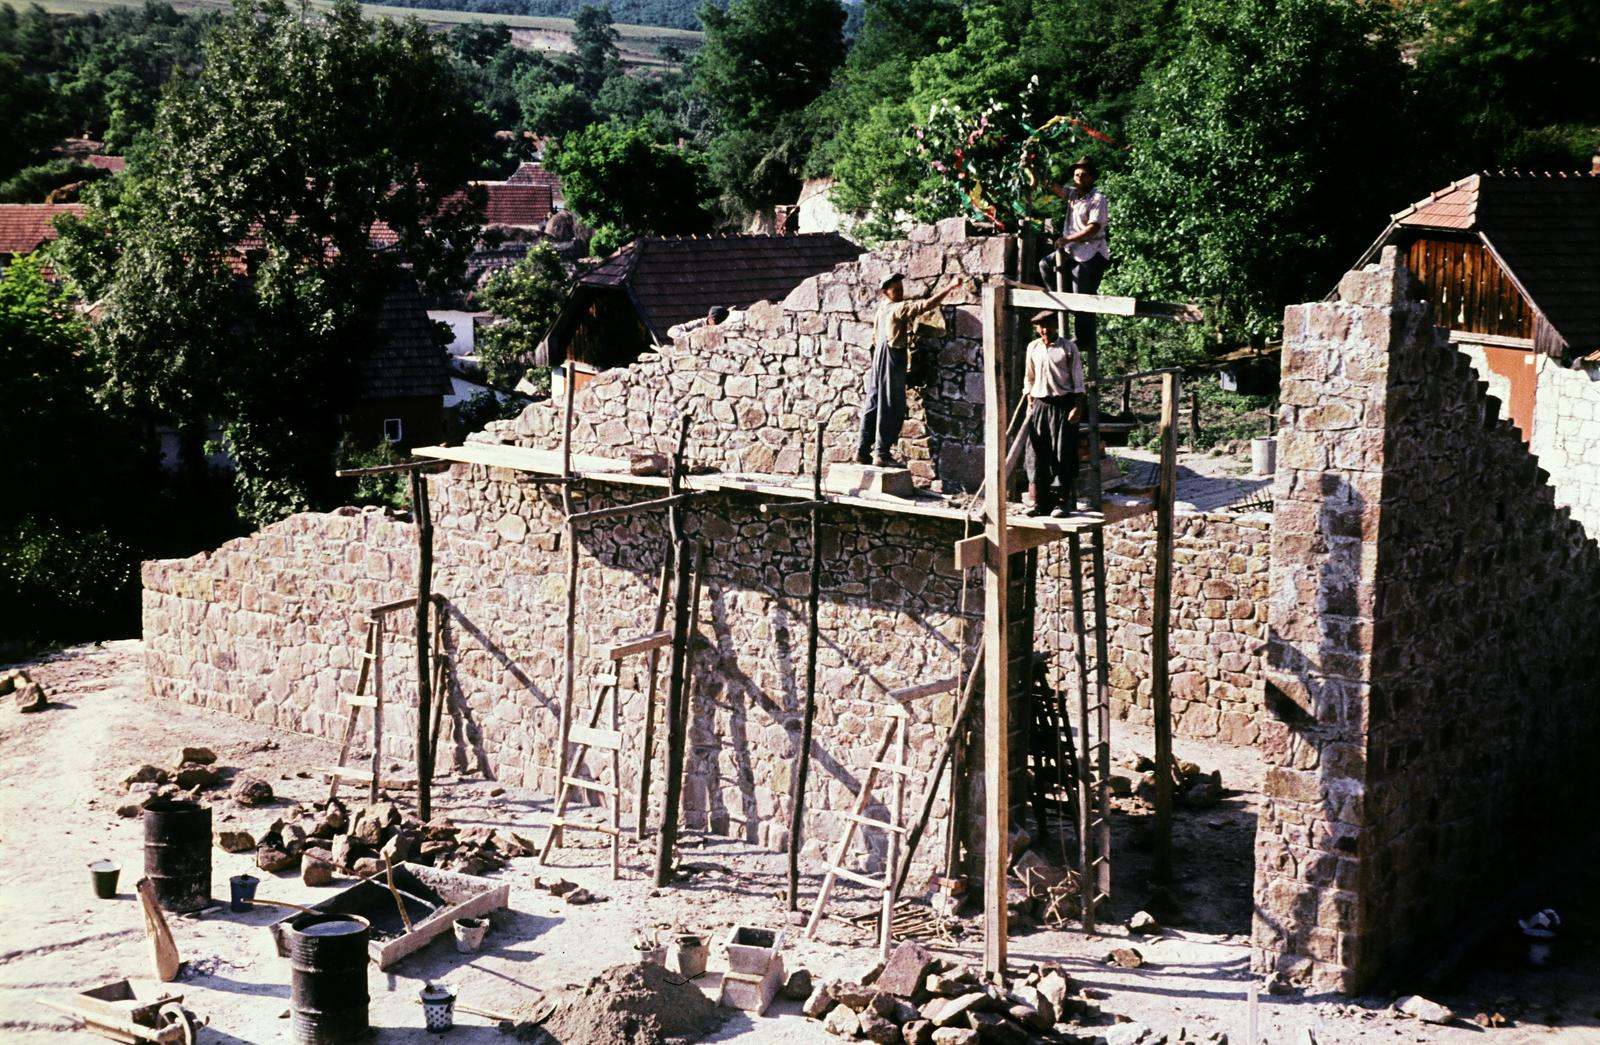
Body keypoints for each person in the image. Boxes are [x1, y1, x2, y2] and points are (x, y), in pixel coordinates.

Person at [856, 272, 966, 467]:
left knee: (873, 403)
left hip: (880, 359)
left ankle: (862, 451)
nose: (900, 292)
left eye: (901, 289)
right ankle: (881, 453)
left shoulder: (882, 310)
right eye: (895, 290)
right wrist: (949, 288)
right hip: (890, 358)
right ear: (885, 292)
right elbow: (925, 306)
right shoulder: (896, 309)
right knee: (890, 405)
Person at [1038, 156, 1111, 356]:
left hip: (1091, 251)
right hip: (1072, 250)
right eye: (1077, 174)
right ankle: (1059, 303)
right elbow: (1051, 185)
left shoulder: (1097, 199)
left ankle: (1084, 339)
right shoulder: (1072, 195)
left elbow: (1093, 228)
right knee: (1045, 265)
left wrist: (1067, 239)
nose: (1079, 178)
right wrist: (1031, 166)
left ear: (1092, 178)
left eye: (1084, 175)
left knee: (1083, 297)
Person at [1022, 310, 1085, 517]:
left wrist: (1077, 406)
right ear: (1036, 328)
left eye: (1048, 325)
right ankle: (1039, 502)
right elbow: (1029, 377)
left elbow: (1078, 379)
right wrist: (1030, 399)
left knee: (1062, 452)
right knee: (1037, 451)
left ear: (1054, 325)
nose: (1044, 330)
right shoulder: (1033, 347)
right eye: (1040, 327)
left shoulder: (1068, 348)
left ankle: (1061, 502)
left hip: (1063, 406)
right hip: (1040, 404)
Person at [666, 305, 732, 341]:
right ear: (709, 318)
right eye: (715, 322)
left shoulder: (724, 325)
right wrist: (692, 334)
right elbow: (671, 331)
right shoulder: (699, 324)